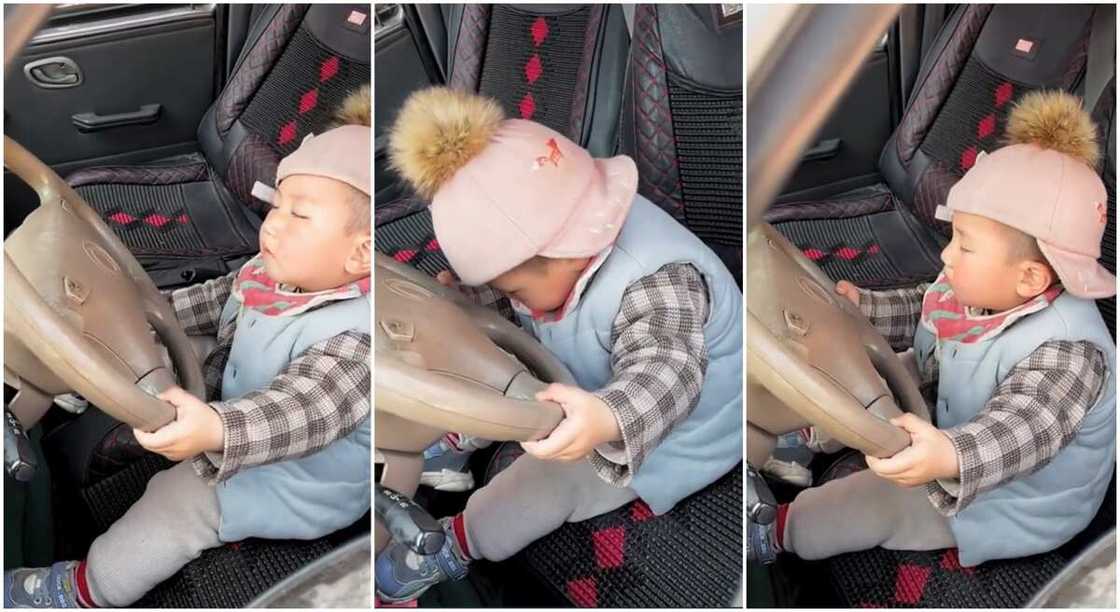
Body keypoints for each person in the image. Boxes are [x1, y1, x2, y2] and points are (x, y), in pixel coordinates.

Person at [5, 87, 373, 608]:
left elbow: (303, 412)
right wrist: (120, 322)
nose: (273, 225)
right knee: (174, 342)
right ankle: (76, 383)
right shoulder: (268, 274)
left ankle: (84, 591)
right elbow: (196, 307)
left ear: (360, 254)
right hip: (239, 397)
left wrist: (217, 429)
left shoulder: (355, 342)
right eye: (277, 205)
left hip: (296, 481)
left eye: (301, 216)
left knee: (177, 503)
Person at [374, 86, 743, 601]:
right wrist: (467, 304)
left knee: (548, 483)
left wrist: (606, 419)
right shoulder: (567, 227)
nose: (514, 301)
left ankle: (456, 543)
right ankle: (456, 439)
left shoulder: (659, 282)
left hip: (671, 429)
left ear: (569, 252)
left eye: (515, 292)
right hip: (584, 370)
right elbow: (518, 289)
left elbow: (669, 372)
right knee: (479, 354)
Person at [750, 91, 1116, 567]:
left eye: (964, 246)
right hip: (950, 403)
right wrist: (865, 312)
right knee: (860, 371)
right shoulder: (988, 287)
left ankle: (776, 531)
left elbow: (1022, 430)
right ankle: (803, 438)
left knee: (880, 499)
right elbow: (929, 306)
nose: (947, 255)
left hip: (1010, 496)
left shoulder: (1070, 353)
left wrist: (949, 456)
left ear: (1030, 277)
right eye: (953, 236)